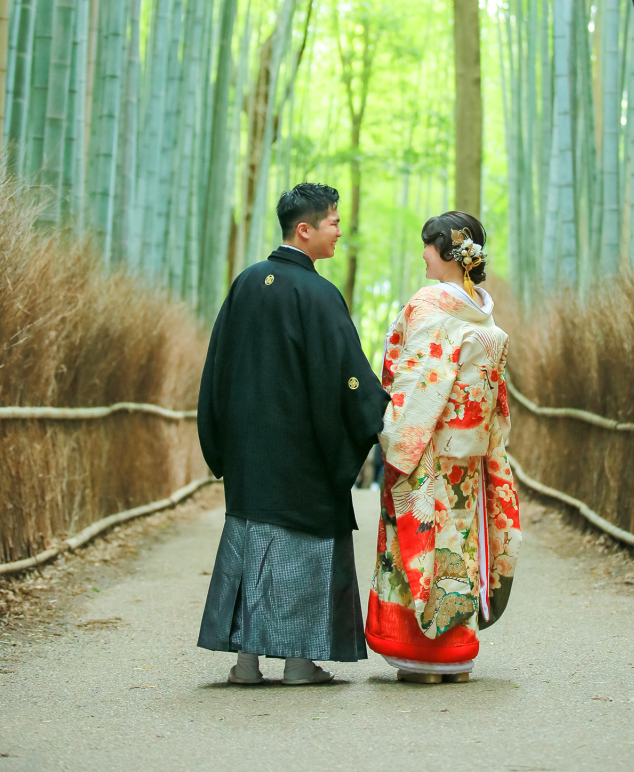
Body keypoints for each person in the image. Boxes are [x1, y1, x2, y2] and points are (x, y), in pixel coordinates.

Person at [197, 183, 390, 686]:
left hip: (247, 450)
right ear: (304, 230)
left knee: (250, 540)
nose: (340, 231)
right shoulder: (318, 294)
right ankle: (300, 663)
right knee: (302, 548)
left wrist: (218, 439)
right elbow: (346, 373)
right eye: (333, 222)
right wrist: (380, 414)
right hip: (301, 454)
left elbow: (216, 367)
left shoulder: (246, 283)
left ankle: (245, 663)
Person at [365, 211, 522, 684]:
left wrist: (394, 431)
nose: (423, 256)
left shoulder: (427, 304)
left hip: (428, 446)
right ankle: (457, 655)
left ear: (447, 253)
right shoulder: (482, 311)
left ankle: (422, 658)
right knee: (462, 544)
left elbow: (405, 372)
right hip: (470, 455)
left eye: (427, 246)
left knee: (423, 540)